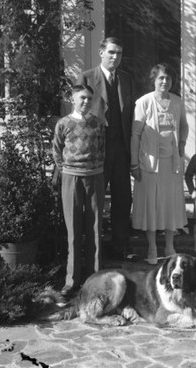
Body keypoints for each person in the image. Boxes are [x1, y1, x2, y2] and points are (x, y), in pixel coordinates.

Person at [76, 36, 135, 262]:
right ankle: (94, 249)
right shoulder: (87, 77)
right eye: (111, 52)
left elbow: (131, 116)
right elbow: (79, 115)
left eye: (119, 53)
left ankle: (121, 246)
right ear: (101, 53)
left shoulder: (127, 79)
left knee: (122, 199)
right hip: (97, 149)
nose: (115, 57)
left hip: (121, 149)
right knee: (95, 200)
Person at [130, 62, 188, 265]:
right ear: (154, 80)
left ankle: (170, 246)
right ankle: (153, 248)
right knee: (151, 206)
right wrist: (134, 163)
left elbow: (183, 127)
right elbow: (135, 135)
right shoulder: (144, 102)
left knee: (170, 205)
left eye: (168, 78)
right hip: (149, 164)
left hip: (171, 164)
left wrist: (181, 145)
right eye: (161, 78)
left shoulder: (178, 102)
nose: (165, 82)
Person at [52, 84, 106, 296]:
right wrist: (67, 170)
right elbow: (56, 150)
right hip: (71, 179)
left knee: (94, 228)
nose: (86, 102)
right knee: (73, 230)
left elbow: (102, 149)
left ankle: (95, 279)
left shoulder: (98, 123)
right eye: (82, 98)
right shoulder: (63, 124)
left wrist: (96, 168)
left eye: (89, 99)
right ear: (72, 99)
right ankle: (71, 281)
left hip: (95, 178)